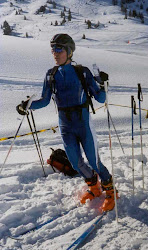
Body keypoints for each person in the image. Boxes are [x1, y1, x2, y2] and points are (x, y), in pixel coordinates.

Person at [16, 33, 118, 212]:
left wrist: (102, 83)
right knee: (75, 162)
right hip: (65, 125)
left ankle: (111, 191)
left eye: (58, 49)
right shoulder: (51, 74)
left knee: (94, 162)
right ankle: (94, 188)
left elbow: (101, 99)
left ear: (69, 51)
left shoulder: (82, 72)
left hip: (83, 123)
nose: (54, 53)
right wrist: (27, 106)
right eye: (52, 49)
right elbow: (45, 100)